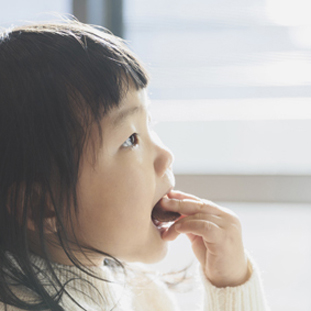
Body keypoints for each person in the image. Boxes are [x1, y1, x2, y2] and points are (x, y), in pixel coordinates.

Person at [0, 20, 269, 311]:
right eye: (130, 139)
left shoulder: (144, 293)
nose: (165, 156)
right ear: (42, 206)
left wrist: (230, 281)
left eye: (149, 125)